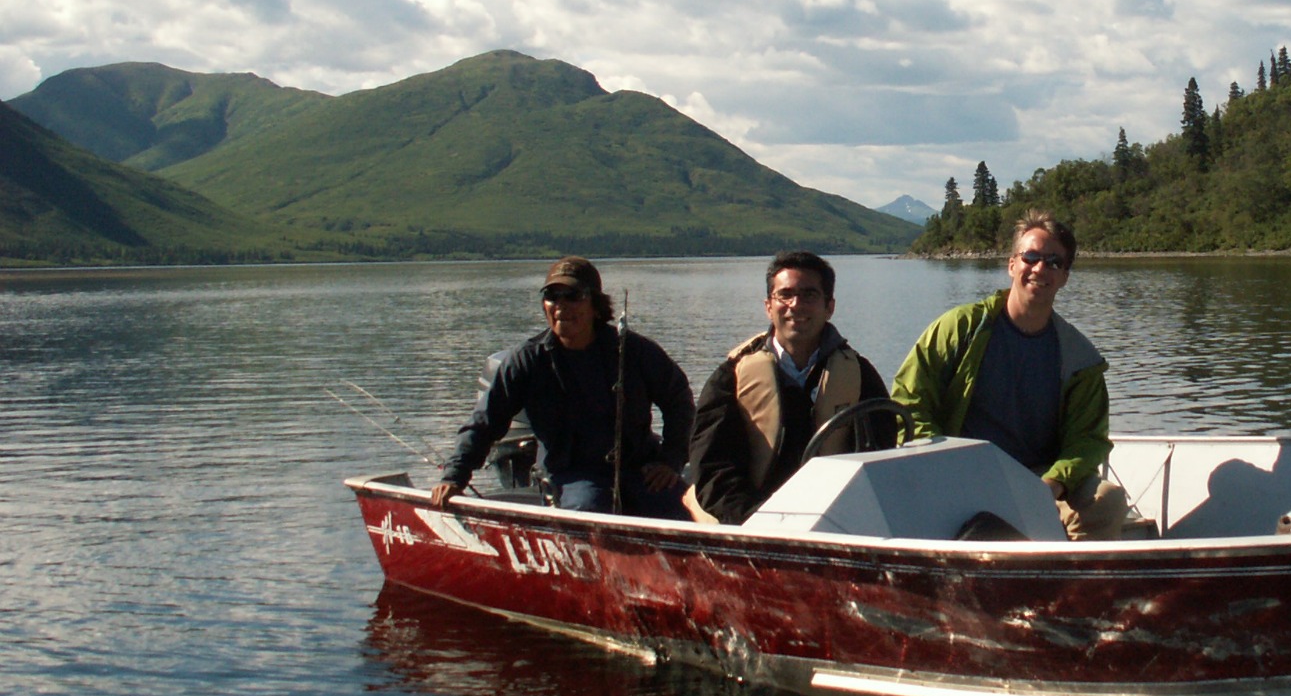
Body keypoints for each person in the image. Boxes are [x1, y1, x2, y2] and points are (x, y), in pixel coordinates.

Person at [892, 210, 1134, 540]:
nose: (1040, 268)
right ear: (1011, 265)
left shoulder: (1080, 359)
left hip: (1040, 478)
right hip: (957, 470)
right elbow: (909, 402)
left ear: (1064, 276)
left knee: (1107, 500)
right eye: (1031, 257)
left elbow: (1088, 441)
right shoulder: (959, 328)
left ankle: (1070, 585)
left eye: (1054, 262)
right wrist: (941, 460)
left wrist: (1052, 484)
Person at [431, 256, 695, 518]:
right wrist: (455, 476)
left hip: (640, 469)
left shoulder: (635, 351)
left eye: (573, 296)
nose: (561, 306)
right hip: (571, 475)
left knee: (684, 509)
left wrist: (670, 460)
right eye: (552, 296)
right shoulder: (526, 360)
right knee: (591, 511)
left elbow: (679, 400)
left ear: (596, 305)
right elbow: (485, 421)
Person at [687, 251, 894, 524]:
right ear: (768, 306)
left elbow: (881, 456)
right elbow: (712, 468)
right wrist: (759, 521)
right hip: (750, 522)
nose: (796, 305)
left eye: (809, 295)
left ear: (829, 306)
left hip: (835, 519)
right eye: (785, 295)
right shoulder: (731, 377)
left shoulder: (859, 374)